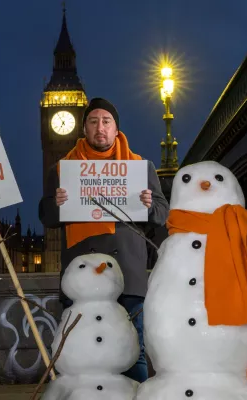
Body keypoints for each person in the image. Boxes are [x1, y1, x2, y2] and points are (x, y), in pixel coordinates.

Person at [39, 97, 169, 383]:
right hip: (81, 277)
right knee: (80, 353)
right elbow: (46, 216)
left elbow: (162, 212)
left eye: (106, 121)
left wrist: (147, 205)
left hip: (129, 276)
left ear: (116, 128)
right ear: (84, 128)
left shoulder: (140, 167)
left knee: (134, 351)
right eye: (94, 121)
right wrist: (58, 203)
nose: (100, 127)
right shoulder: (61, 170)